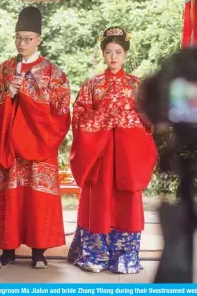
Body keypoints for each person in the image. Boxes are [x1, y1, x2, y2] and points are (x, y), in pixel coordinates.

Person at [0, 7, 71, 269]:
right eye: (18, 37)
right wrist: (7, 93)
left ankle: (38, 252)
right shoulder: (3, 69)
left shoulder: (53, 72)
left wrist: (30, 92)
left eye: (28, 38)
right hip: (8, 145)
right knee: (10, 196)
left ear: (39, 39)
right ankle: (7, 251)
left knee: (36, 198)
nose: (22, 43)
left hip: (39, 143)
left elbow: (62, 107)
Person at [67, 26, 157, 274]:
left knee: (126, 202)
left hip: (128, 154)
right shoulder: (91, 84)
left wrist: (127, 120)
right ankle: (95, 256)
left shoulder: (136, 85)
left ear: (126, 55)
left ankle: (125, 258)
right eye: (108, 52)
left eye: (118, 52)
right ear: (102, 55)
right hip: (99, 154)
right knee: (98, 201)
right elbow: (80, 116)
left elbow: (149, 121)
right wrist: (106, 119)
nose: (113, 57)